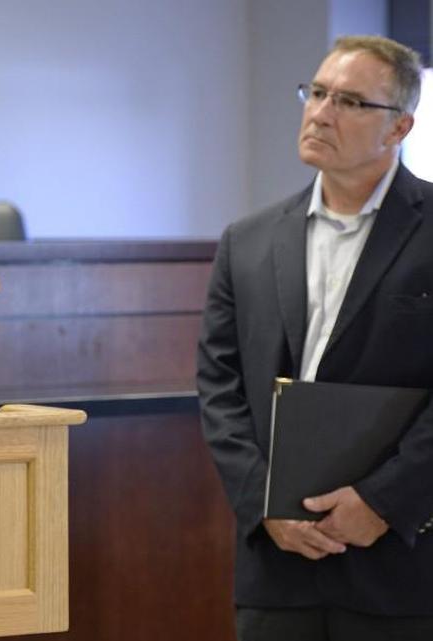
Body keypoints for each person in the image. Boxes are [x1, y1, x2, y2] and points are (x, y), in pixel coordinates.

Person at [198, 35, 433, 641]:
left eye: (352, 102)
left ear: (399, 127)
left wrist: (383, 502)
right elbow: (219, 388)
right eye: (318, 92)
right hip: (277, 562)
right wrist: (262, 504)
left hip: (403, 560)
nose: (322, 112)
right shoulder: (245, 241)